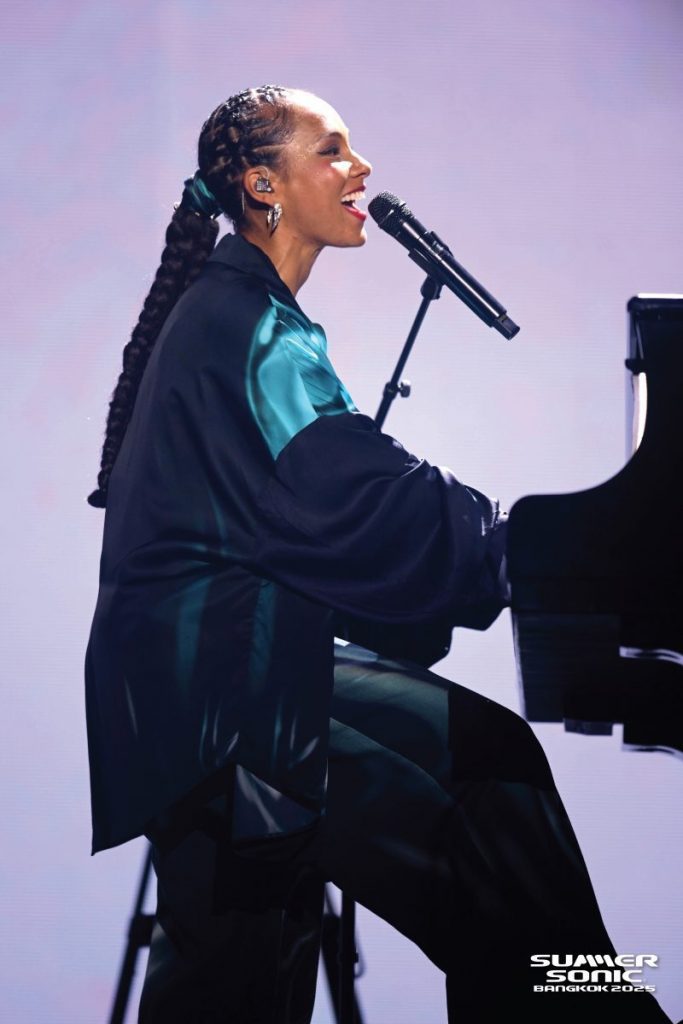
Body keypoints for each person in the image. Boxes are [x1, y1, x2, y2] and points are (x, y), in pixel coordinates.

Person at [84, 85, 672, 1023]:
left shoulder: (240, 312)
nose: (359, 169)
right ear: (263, 185)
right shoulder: (244, 324)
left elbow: (309, 511)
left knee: (237, 977)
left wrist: (478, 556)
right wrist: (509, 543)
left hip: (212, 673)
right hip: (226, 693)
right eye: (332, 150)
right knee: (483, 789)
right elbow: (346, 485)